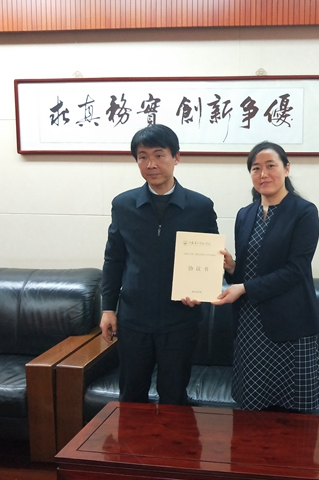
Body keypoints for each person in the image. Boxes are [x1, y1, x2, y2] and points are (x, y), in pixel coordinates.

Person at [100, 124, 218, 405]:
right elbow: (114, 259)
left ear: (176, 157)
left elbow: (210, 259)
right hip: (133, 319)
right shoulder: (124, 205)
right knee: (131, 396)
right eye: (142, 157)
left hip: (180, 319)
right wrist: (108, 308)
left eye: (159, 155)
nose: (151, 164)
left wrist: (200, 293)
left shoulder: (200, 207)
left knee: (174, 398)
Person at [213, 141, 319, 412]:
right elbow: (248, 269)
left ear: (286, 168)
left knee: (294, 413)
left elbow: (296, 270)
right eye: (256, 168)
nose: (263, 174)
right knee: (253, 410)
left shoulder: (304, 212)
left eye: (271, 166)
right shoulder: (245, 214)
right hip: (250, 322)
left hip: (291, 322)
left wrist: (244, 288)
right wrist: (231, 267)